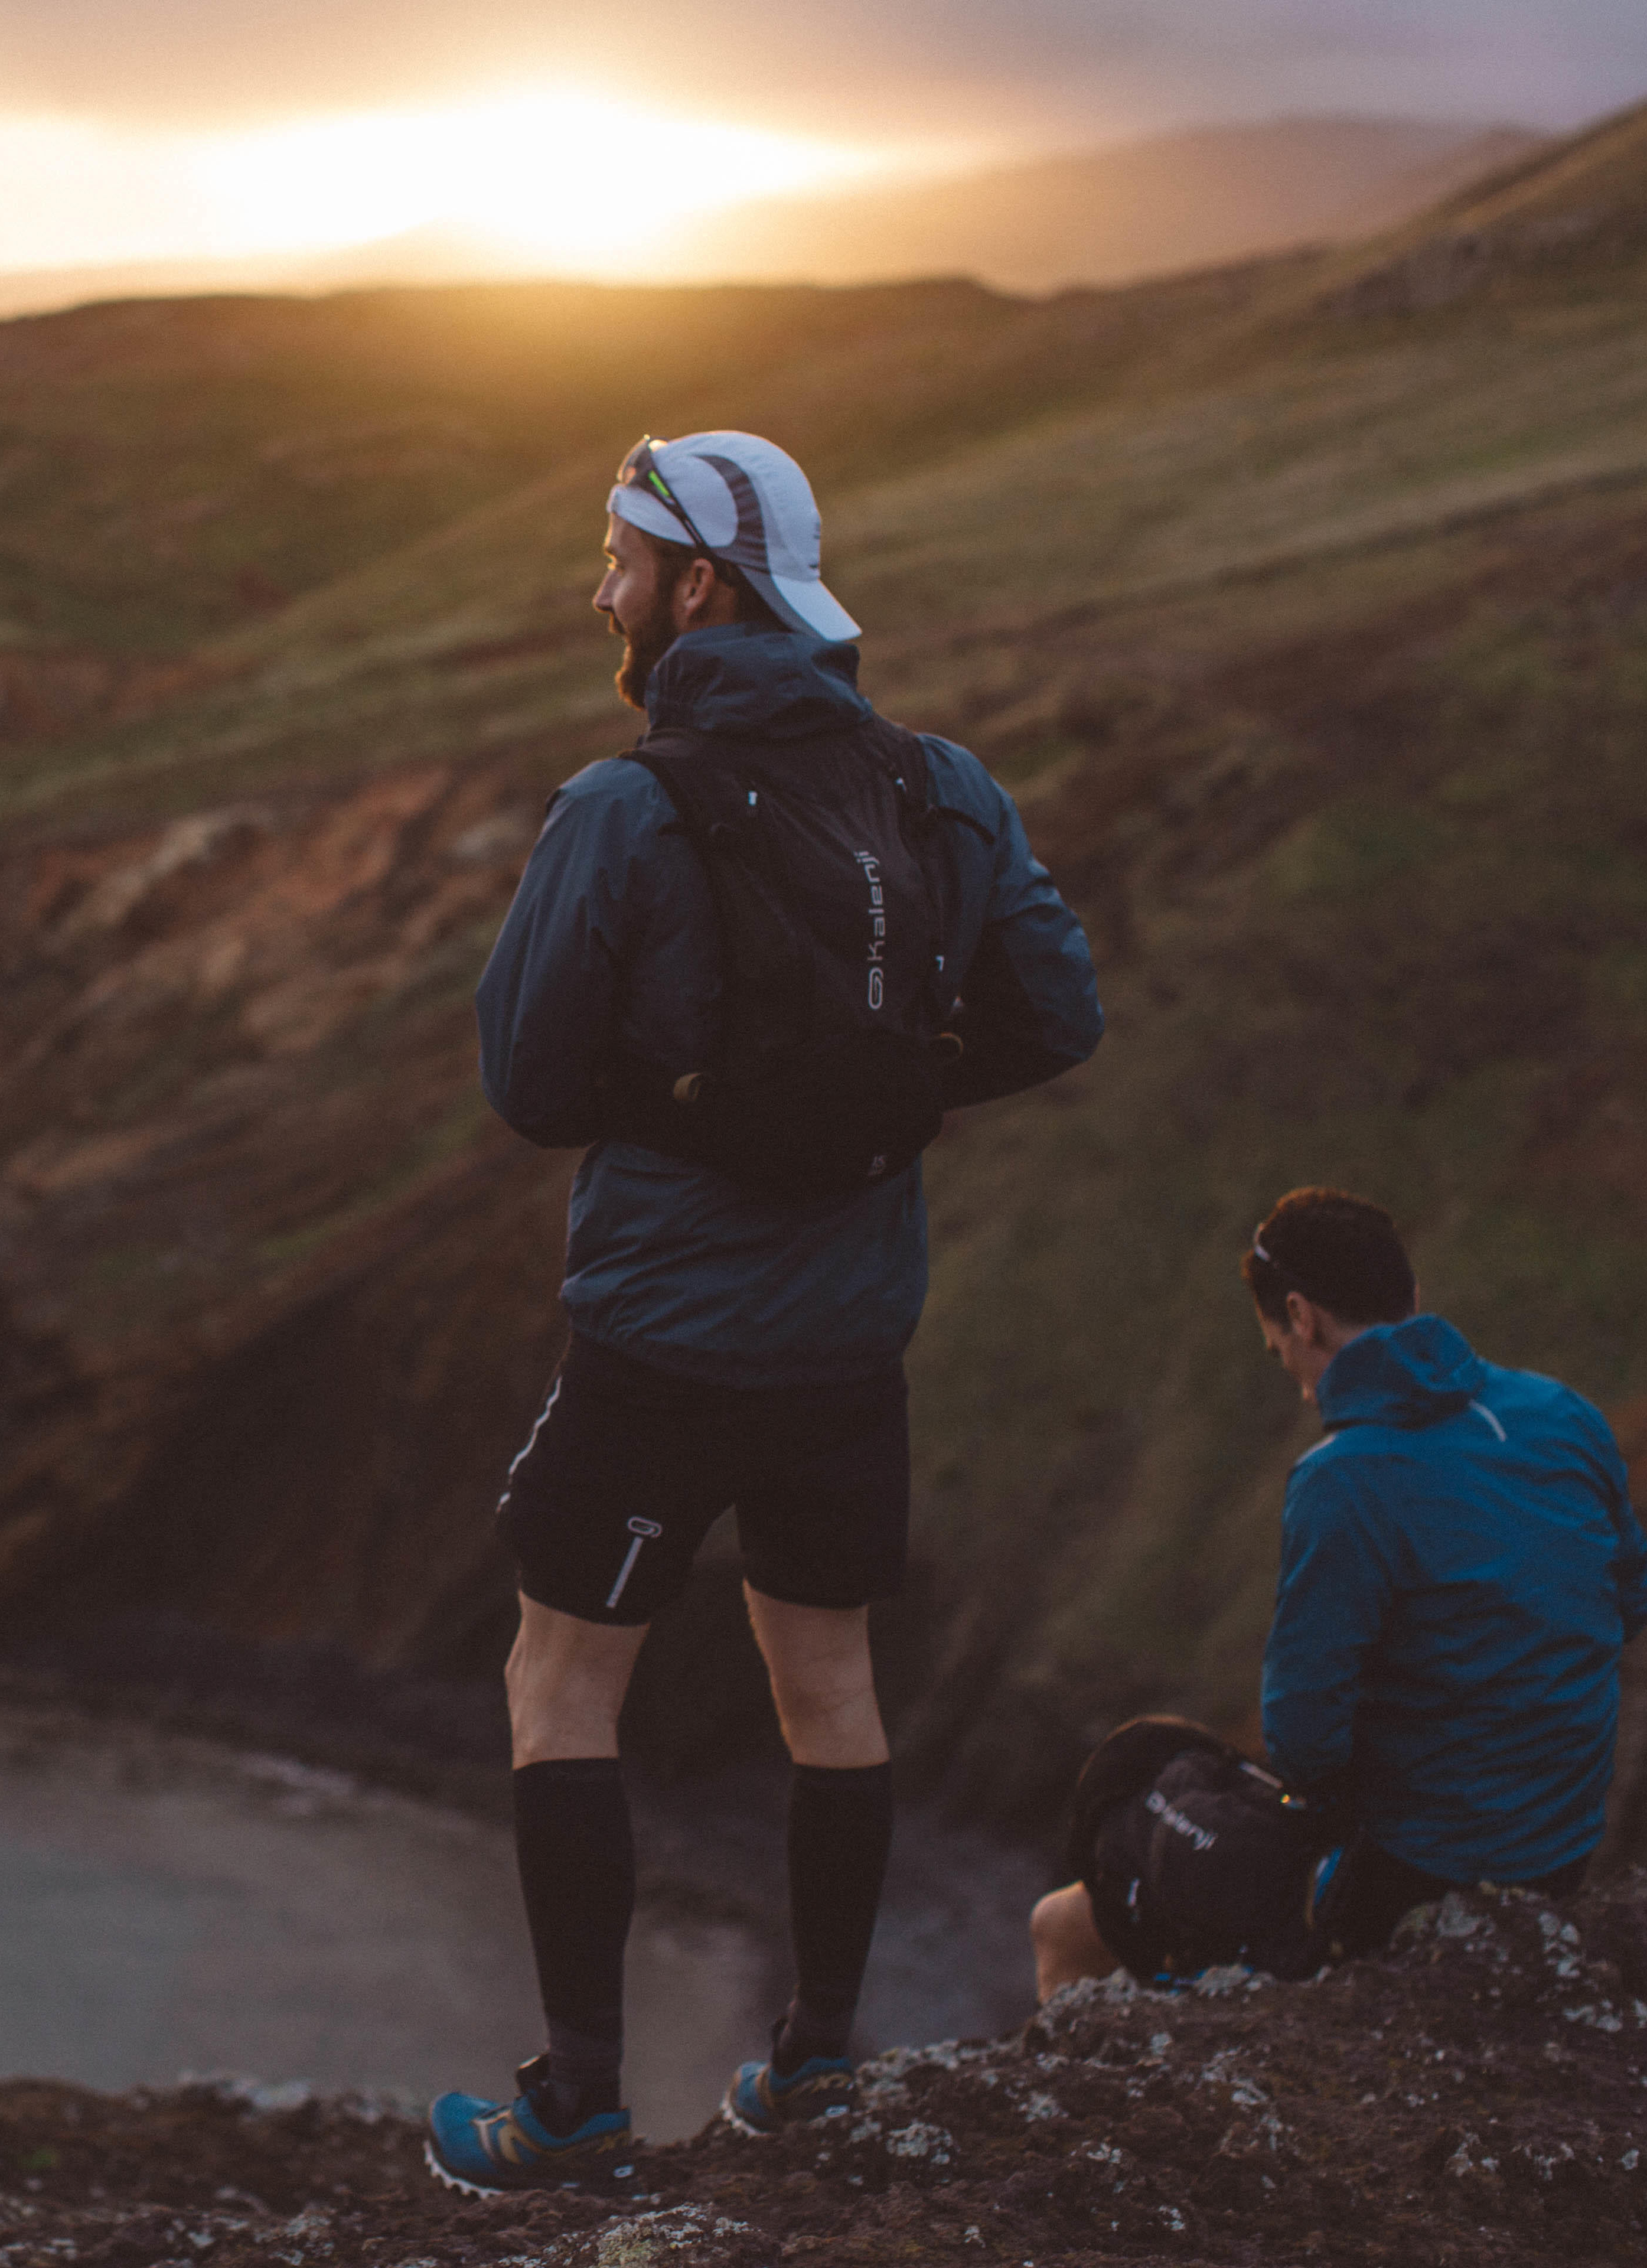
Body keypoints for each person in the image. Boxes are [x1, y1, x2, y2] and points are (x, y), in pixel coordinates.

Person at [427, 432, 1103, 2195]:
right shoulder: (937, 784)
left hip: (661, 1334)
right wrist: (888, 1090)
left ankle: (575, 2098)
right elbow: (1058, 1012)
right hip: (848, 1339)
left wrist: (694, 1098)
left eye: (617, 560)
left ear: (695, 584)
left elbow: (525, 1080)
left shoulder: (623, 807)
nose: (601, 592)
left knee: (562, 1676)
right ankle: (814, 2065)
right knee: (830, 1683)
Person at [1029, 1188, 1647, 1997]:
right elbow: (1633, 1601)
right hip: (1562, 1846)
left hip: (1417, 1874)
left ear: (1301, 1317)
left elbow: (1305, 1742)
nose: (1294, 1381)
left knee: (1068, 1917)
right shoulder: (1561, 1412)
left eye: (1276, 1349)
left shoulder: (1347, 1478)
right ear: (1414, 1301)